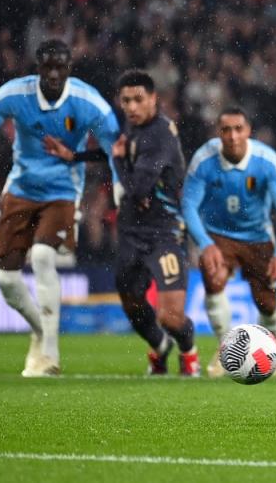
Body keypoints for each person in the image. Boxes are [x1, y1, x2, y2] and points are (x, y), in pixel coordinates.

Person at [0, 39, 120, 376]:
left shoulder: (87, 101)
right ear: (37, 66)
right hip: (20, 188)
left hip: (63, 189)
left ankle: (49, 354)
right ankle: (39, 329)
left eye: (60, 66)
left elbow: (114, 148)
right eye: (47, 65)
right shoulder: (13, 96)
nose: (53, 72)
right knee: (5, 279)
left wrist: (120, 193)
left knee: (45, 258)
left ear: (69, 68)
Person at [181, 107, 276, 377]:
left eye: (238, 129)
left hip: (258, 236)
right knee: (213, 277)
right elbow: (188, 205)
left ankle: (271, 352)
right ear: (218, 133)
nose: (232, 136)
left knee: (267, 303)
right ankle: (225, 351)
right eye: (226, 130)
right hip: (218, 235)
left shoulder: (267, 161)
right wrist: (205, 243)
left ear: (248, 131)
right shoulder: (204, 160)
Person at [110, 70, 199, 376]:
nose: (132, 107)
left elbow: (136, 188)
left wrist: (119, 161)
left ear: (153, 99)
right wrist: (77, 155)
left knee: (171, 316)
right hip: (131, 231)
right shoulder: (133, 126)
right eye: (126, 101)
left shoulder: (160, 134)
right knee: (132, 304)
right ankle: (160, 348)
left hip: (165, 232)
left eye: (138, 100)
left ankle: (189, 353)